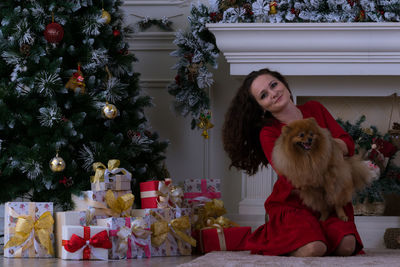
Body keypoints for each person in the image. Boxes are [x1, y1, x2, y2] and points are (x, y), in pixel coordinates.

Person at [222, 68, 363, 257]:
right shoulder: (269, 132)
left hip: (329, 199)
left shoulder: (315, 109)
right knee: (315, 248)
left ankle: (319, 234)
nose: (273, 94)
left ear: (284, 85)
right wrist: (329, 148)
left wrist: (320, 151)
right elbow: (292, 175)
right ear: (261, 107)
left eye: (274, 85)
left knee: (347, 246)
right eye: (264, 95)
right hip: (294, 203)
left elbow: (348, 144)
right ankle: (281, 238)